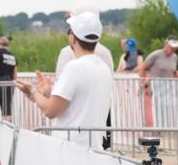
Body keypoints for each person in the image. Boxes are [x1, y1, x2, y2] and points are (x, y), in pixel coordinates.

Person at [15, 11, 112, 148]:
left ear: (74, 38)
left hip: (70, 149)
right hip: (93, 147)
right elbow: (77, 104)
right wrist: (49, 94)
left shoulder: (75, 67)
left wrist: (32, 92)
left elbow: (51, 111)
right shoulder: (103, 68)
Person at [55, 4, 113, 75]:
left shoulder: (67, 55)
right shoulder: (105, 53)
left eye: (71, 30)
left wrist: (47, 86)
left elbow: (60, 82)